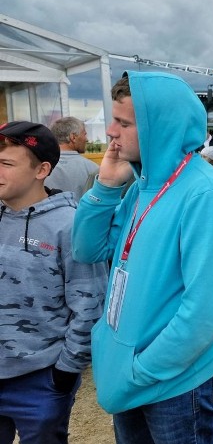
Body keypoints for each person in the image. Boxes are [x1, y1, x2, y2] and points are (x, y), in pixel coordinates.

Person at [72, 72, 213, 444]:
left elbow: (203, 313)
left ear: (160, 127)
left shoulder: (207, 193)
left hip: (175, 383)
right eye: (113, 119)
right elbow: (87, 249)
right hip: (129, 374)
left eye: (124, 122)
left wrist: (141, 371)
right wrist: (104, 187)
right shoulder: (140, 188)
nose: (111, 131)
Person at [0, 121, 107, 443]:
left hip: (41, 380)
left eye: (6, 164)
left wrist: (64, 372)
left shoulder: (71, 225)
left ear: (41, 170)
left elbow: (90, 303)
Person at [45, 116, 100, 201]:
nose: (87, 139)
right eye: (84, 134)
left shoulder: (41, 168)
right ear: (73, 137)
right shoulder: (93, 169)